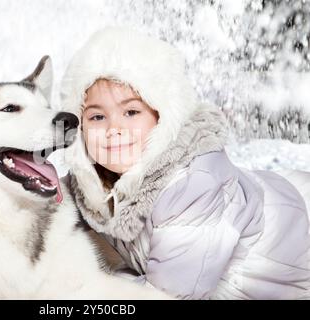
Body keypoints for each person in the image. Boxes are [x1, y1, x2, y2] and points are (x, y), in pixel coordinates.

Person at [59, 27, 310, 299]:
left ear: (162, 118)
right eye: (97, 117)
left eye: (131, 112)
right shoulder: (86, 184)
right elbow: (38, 211)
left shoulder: (193, 186)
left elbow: (168, 296)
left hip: (295, 242)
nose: (114, 129)